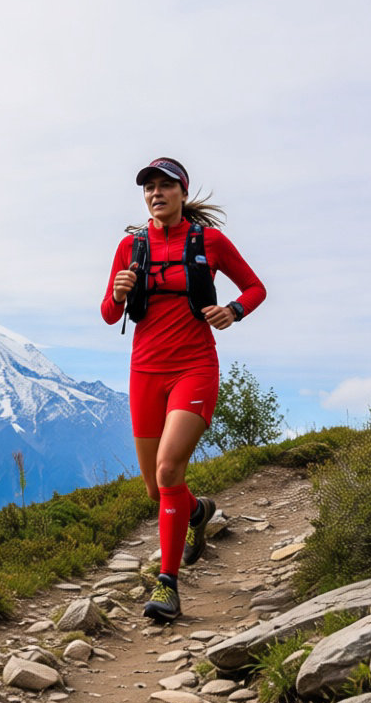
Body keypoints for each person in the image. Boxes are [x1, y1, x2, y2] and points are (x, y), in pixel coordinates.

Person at [100, 156, 267, 624]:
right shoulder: (131, 247)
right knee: (157, 489)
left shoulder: (208, 241)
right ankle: (197, 512)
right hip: (145, 372)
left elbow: (255, 288)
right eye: (149, 187)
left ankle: (167, 584)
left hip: (194, 368)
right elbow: (109, 315)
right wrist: (117, 292)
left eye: (165, 186)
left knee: (170, 468)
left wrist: (233, 311)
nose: (156, 194)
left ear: (182, 192)